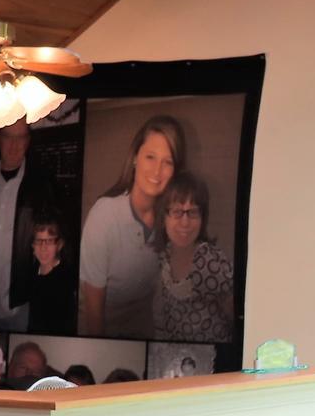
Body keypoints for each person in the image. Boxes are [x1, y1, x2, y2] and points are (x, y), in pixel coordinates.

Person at [80, 115, 185, 337]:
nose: (157, 171)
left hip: (143, 332)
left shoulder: (172, 221)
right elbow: (93, 315)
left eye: (167, 162)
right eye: (150, 157)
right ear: (135, 157)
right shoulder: (104, 215)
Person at [0, 120, 48, 331]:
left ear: (28, 141)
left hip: (20, 303)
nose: (14, 145)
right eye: (9, 136)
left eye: (21, 137)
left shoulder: (40, 186)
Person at [152, 171, 232, 343]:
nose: (185, 222)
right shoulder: (164, 255)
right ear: (164, 217)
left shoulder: (209, 261)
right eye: (177, 212)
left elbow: (237, 314)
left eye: (193, 212)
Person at [26, 213, 78, 332]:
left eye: (49, 241)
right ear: (33, 246)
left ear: (59, 245)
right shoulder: (34, 270)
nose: (43, 247)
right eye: (39, 241)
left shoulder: (65, 280)